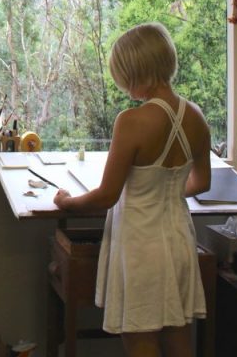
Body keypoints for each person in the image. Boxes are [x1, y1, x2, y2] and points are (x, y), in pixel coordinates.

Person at [54, 22, 211, 357]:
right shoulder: (196, 116)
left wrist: (68, 202)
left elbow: (107, 195)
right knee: (178, 336)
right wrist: (163, 191)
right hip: (181, 241)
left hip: (141, 246)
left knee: (140, 339)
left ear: (135, 71)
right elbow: (202, 183)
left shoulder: (132, 121)